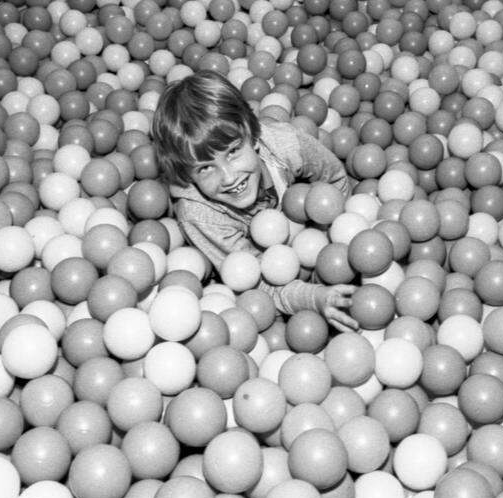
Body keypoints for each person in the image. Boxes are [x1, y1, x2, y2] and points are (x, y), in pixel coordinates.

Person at [152, 70, 359, 332]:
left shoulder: (285, 144)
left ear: (252, 135)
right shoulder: (199, 214)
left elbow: (336, 178)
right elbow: (255, 283)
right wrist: (314, 297)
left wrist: (337, 236)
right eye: (205, 168)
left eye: (233, 152)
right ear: (187, 176)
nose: (228, 177)